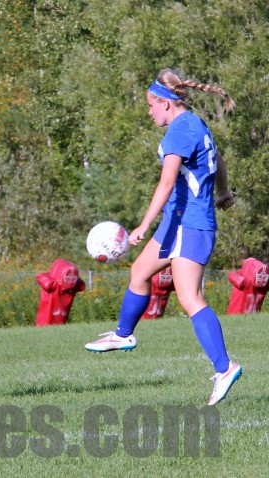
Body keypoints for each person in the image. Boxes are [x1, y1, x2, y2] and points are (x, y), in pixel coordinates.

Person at [84, 69, 241, 406]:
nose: (149, 111)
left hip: (190, 225)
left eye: (151, 105)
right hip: (179, 221)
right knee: (139, 273)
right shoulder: (195, 123)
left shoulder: (179, 131)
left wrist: (142, 226)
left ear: (166, 104)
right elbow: (218, 160)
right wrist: (224, 192)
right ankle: (123, 335)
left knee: (190, 297)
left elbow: (167, 182)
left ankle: (225, 368)